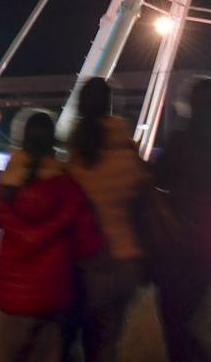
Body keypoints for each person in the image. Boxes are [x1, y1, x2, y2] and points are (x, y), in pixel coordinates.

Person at [0, 110, 103, 362]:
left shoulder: (9, 187)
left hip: (10, 300)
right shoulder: (69, 187)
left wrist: (6, 180)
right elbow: (89, 244)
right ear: (53, 144)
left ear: (24, 141)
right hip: (52, 298)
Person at [150, 78, 211, 362]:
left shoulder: (181, 141)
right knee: (185, 317)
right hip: (210, 238)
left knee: (173, 319)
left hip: (178, 239)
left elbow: (158, 178)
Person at [65, 78, 149, 362]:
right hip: (124, 262)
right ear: (110, 105)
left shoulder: (74, 159)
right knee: (107, 343)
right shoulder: (127, 153)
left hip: (84, 262)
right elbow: (145, 196)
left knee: (76, 338)